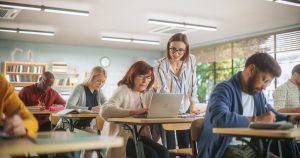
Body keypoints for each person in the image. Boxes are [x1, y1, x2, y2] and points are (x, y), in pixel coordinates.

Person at [196, 53, 300, 158]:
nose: (265, 87)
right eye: (264, 80)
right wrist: (257, 119)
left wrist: (290, 118)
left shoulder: (257, 94)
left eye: (268, 83)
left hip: (250, 148)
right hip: (223, 150)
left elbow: (271, 115)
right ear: (251, 70)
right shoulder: (223, 89)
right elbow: (220, 119)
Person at [101, 61, 169, 158]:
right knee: (151, 155)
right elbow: (104, 111)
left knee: (163, 152)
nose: (145, 81)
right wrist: (133, 112)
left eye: (148, 78)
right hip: (122, 138)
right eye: (142, 77)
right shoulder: (123, 90)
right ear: (132, 76)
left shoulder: (146, 93)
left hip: (138, 136)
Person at [154, 33, 205, 154]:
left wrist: (193, 105)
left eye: (180, 50)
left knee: (185, 144)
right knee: (170, 147)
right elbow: (163, 89)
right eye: (173, 49)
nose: (176, 53)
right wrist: (172, 109)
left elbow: (193, 83)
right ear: (168, 48)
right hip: (167, 109)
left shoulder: (191, 60)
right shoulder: (160, 65)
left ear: (186, 50)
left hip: (186, 107)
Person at [66, 66, 107, 130]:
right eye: (98, 80)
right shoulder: (80, 88)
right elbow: (68, 106)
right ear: (91, 78)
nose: (100, 84)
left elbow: (107, 104)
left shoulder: (99, 91)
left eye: (103, 81)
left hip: (90, 127)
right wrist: (90, 108)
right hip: (74, 126)